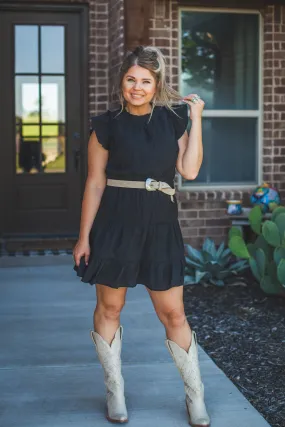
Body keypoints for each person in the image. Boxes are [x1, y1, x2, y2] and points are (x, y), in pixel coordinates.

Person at [73, 45, 210, 427]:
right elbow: (95, 183)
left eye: (145, 81)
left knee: (175, 313)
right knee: (110, 309)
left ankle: (195, 397)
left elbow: (190, 169)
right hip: (115, 224)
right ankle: (114, 391)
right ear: (122, 81)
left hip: (160, 224)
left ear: (157, 84)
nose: (137, 87)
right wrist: (84, 237)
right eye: (131, 79)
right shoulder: (106, 125)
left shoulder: (173, 119)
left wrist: (196, 118)